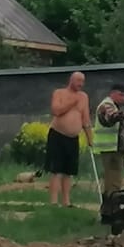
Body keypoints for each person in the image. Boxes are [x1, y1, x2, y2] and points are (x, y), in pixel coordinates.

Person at [46, 71, 93, 207]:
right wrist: (72, 102)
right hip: (57, 134)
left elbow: (85, 118)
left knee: (69, 171)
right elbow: (56, 111)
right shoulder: (59, 93)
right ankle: (54, 202)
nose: (80, 84)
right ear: (71, 80)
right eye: (78, 81)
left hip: (73, 138)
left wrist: (90, 137)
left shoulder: (84, 96)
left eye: (82, 81)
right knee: (56, 170)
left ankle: (66, 201)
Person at [93, 83, 124, 197]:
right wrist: (122, 115)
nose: (123, 98)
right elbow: (110, 118)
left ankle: (112, 201)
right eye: (121, 95)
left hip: (115, 148)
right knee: (113, 179)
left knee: (115, 179)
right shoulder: (107, 104)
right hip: (109, 148)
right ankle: (111, 202)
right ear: (113, 94)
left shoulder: (114, 105)